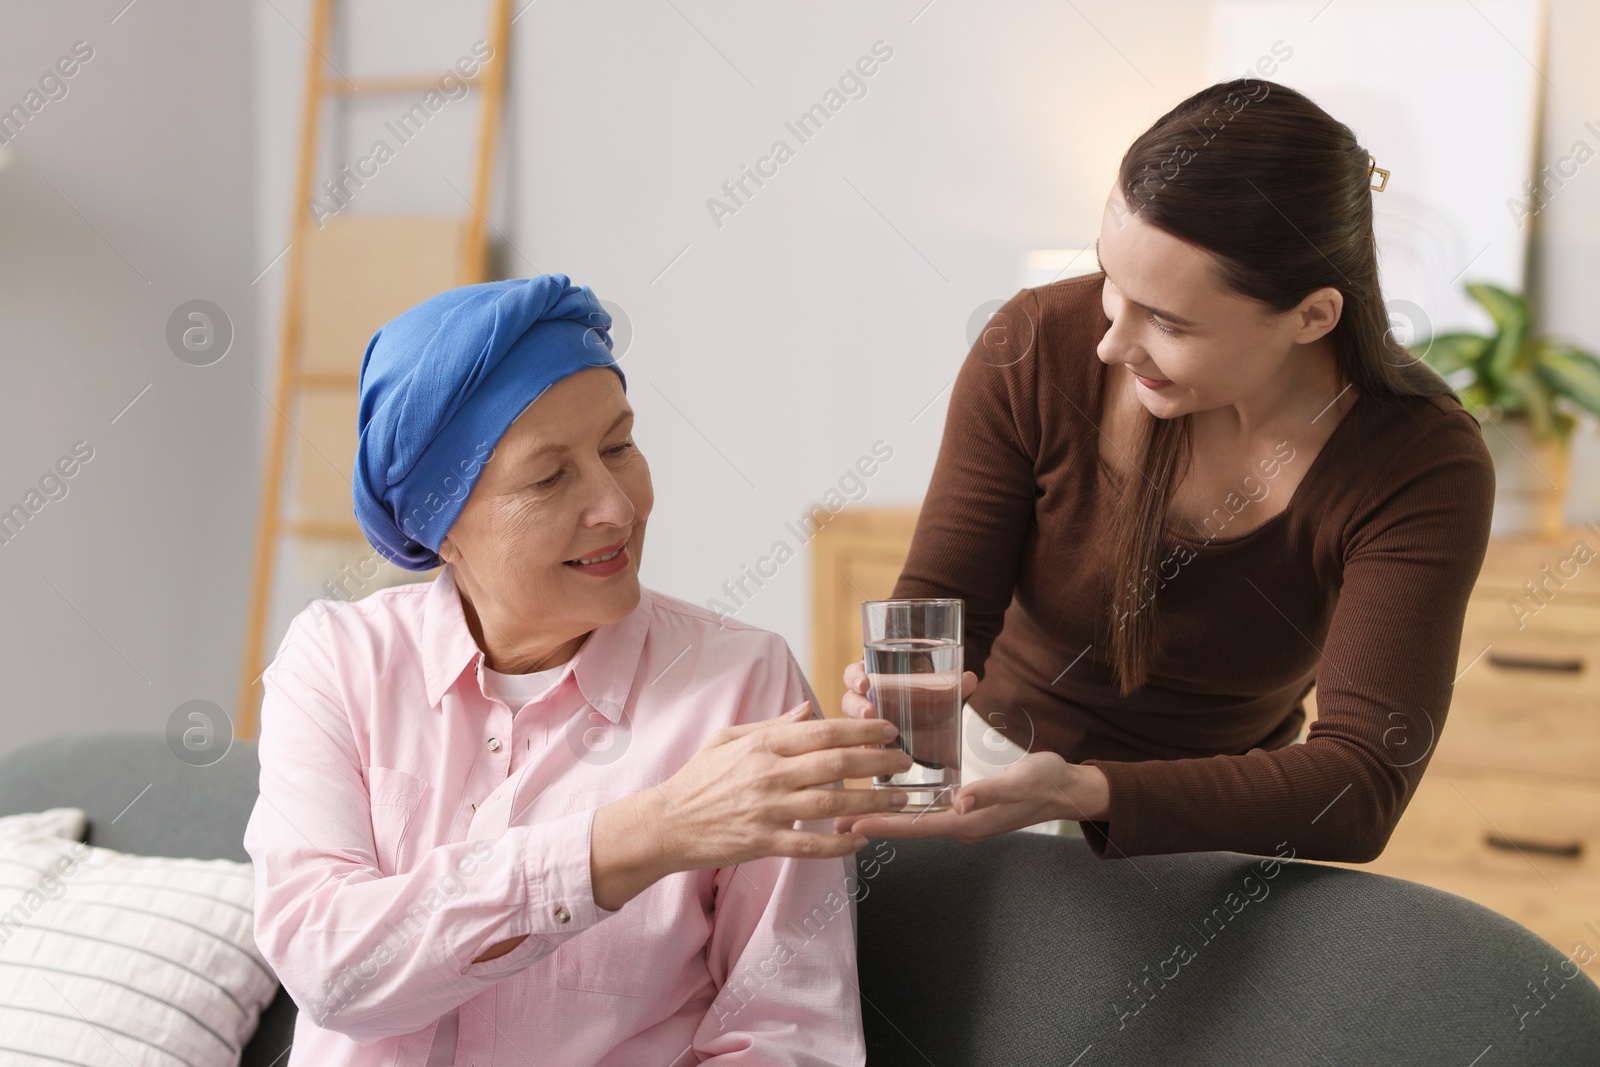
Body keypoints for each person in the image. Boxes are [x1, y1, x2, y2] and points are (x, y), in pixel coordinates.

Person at [243, 275, 904, 1066]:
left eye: (619, 447)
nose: (617, 507)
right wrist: (648, 834)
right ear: (441, 525)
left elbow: (791, 1038)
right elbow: (335, 970)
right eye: (551, 475)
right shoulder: (338, 663)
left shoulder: (743, 685)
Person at [836, 78, 1496, 864]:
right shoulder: (1034, 348)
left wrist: (1090, 791)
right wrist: (899, 700)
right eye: (1113, 283)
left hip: (1227, 817)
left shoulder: (1420, 463)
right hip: (990, 781)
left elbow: (1360, 784)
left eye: (1169, 320)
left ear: (1312, 316)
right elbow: (939, 610)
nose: (1111, 344)